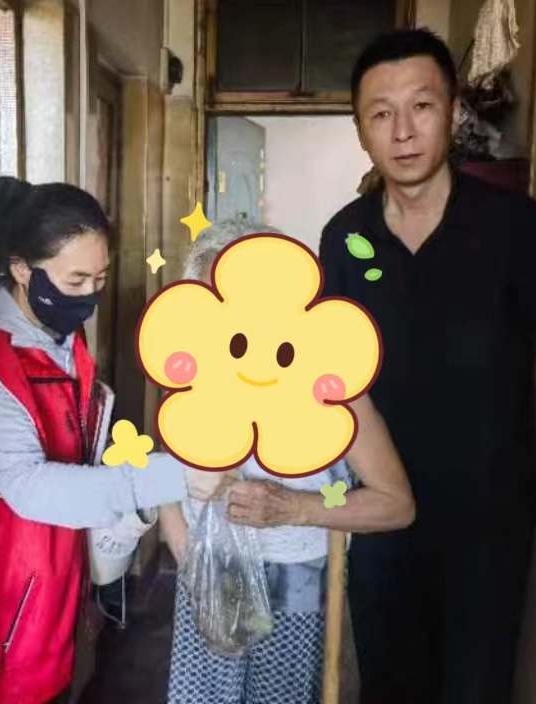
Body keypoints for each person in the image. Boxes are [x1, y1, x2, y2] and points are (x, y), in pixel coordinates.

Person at [318, 29, 536, 703]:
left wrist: (506, 382)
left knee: (476, 689)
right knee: (389, 688)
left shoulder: (515, 227)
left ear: (452, 113)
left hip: (489, 518)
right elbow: (328, 365)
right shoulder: (346, 236)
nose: (403, 131)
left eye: (421, 106)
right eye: (381, 113)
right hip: (380, 514)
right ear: (361, 131)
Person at [0, 177, 228, 704]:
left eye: (99, 279)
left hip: (51, 586)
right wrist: (171, 477)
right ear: (21, 269)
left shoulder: (59, 341)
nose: (89, 298)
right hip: (0, 606)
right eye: (75, 280)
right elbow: (33, 489)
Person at [159, 218, 416, 704]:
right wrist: (185, 548)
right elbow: (166, 478)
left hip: (293, 590)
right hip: (209, 582)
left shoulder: (332, 390)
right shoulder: (191, 377)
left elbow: (396, 505)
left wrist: (294, 507)